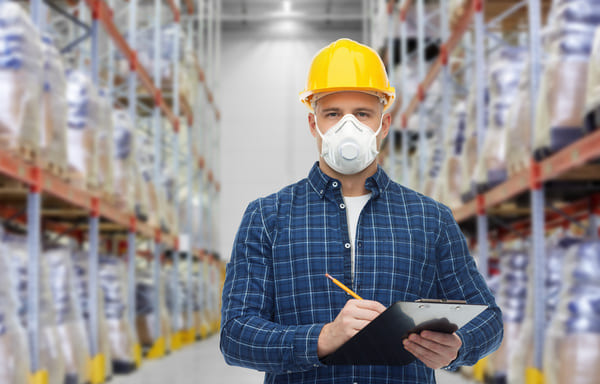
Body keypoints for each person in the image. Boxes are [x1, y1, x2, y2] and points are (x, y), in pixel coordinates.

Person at [220, 38, 503, 383]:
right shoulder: (268, 217)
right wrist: (323, 338)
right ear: (314, 125)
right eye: (333, 114)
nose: (347, 127)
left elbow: (488, 318)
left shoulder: (430, 219)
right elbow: (235, 335)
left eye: (363, 114)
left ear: (383, 125)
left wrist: (459, 345)